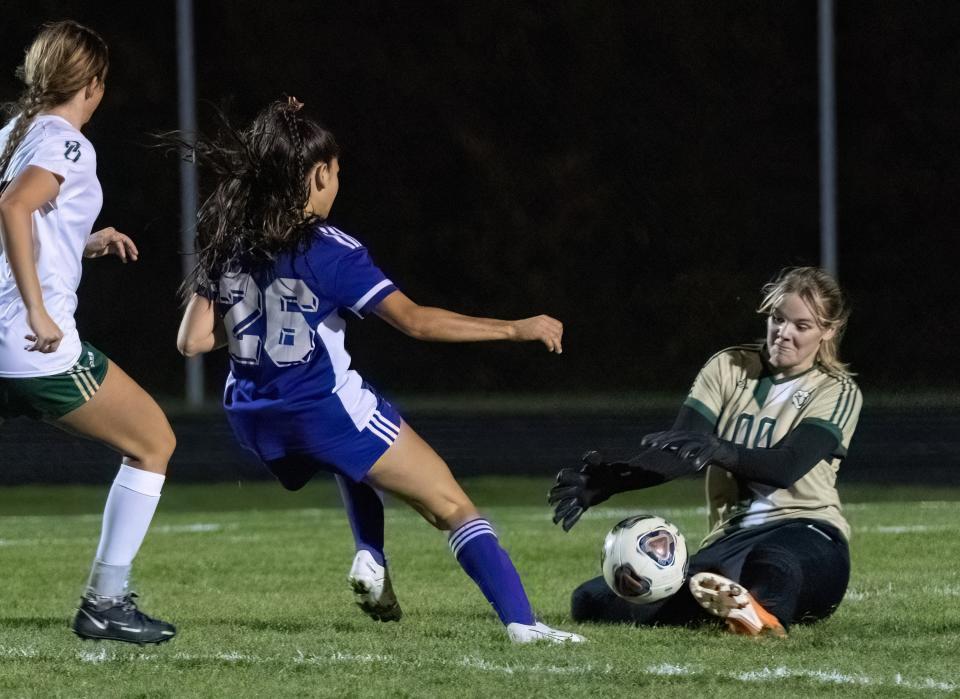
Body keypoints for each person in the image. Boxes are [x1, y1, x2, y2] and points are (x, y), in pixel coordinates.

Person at [175, 97, 582, 643]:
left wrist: (265, 312)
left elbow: (192, 340)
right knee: (454, 506)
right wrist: (514, 328)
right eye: (336, 173)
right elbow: (415, 322)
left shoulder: (231, 241)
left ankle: (371, 554)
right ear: (316, 176)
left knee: (360, 437)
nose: (338, 184)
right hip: (319, 410)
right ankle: (523, 623)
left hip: (253, 417)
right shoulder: (331, 250)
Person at [549, 267, 861, 636]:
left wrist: (720, 450)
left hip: (809, 536)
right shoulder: (728, 366)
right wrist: (613, 480)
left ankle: (764, 616)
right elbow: (680, 452)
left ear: (828, 331)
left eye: (802, 326)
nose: (784, 333)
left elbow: (786, 466)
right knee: (592, 599)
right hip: (728, 543)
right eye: (778, 319)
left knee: (775, 562)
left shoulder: (836, 390)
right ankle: (735, 606)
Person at [0, 21, 176, 644]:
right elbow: (15, 207)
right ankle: (105, 602)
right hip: (32, 346)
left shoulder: (10, 135)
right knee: (154, 441)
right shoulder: (67, 143)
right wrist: (38, 311)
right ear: (93, 85)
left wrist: (82, 240)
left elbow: (25, 216)